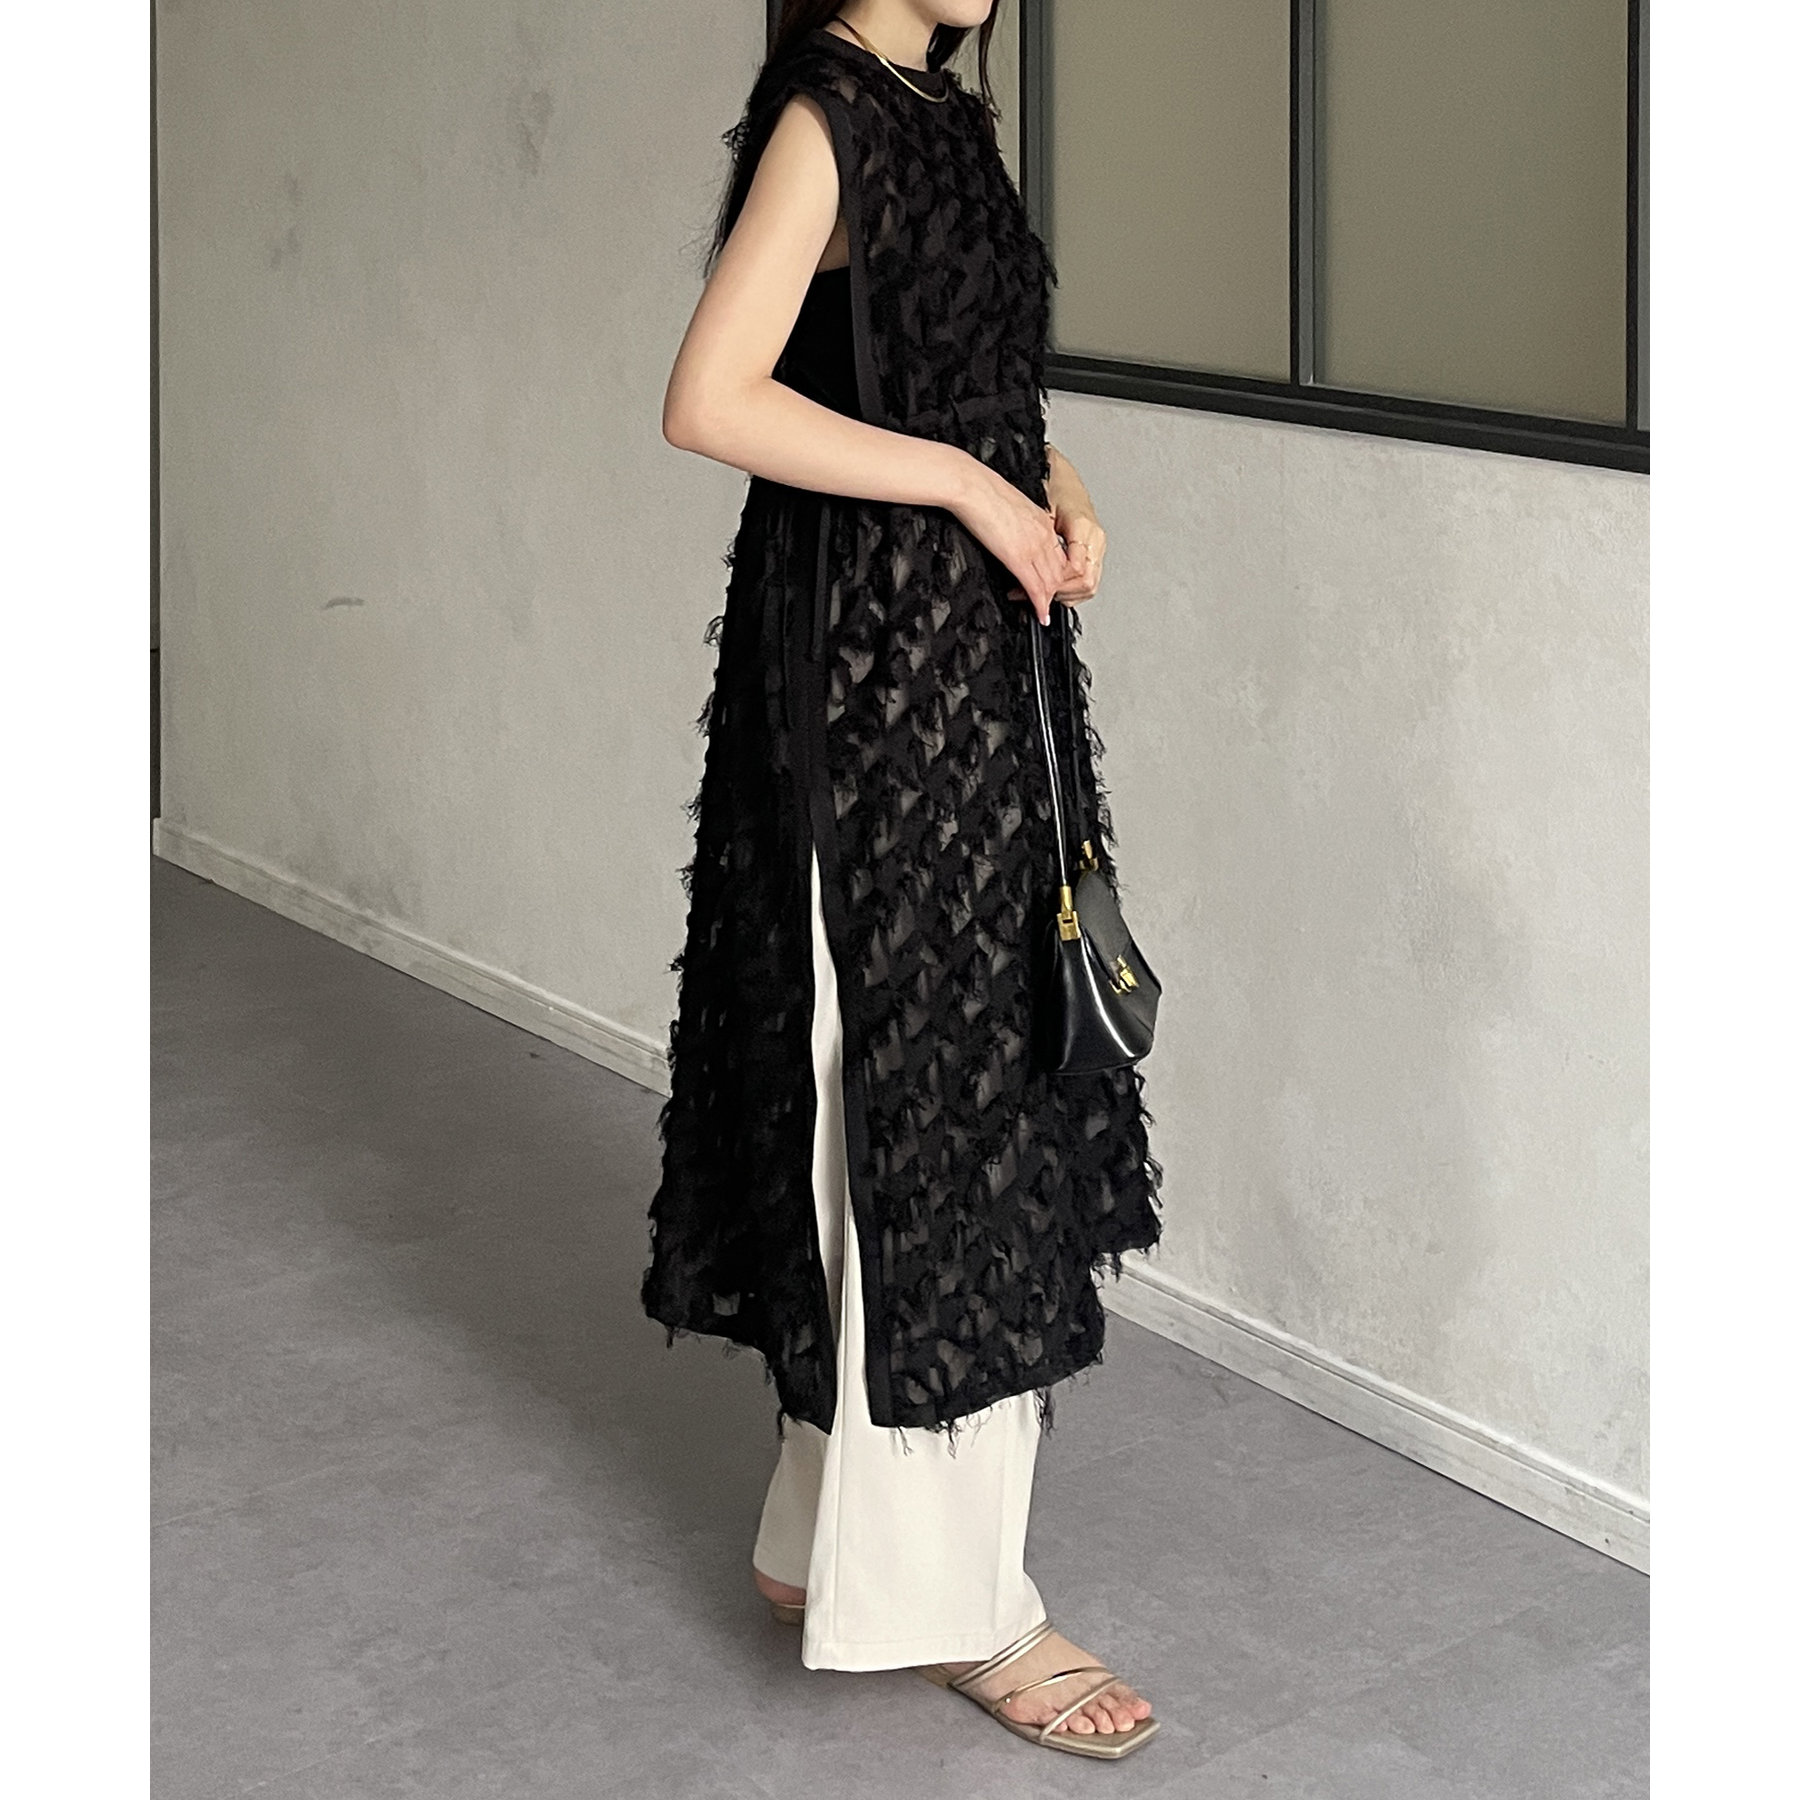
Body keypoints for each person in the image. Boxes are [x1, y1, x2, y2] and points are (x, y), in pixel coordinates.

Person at [641, 0, 1164, 1760]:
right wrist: (965, 485)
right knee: (919, 1108)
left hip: (968, 668)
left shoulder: (941, 113)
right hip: (869, 681)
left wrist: (1056, 489)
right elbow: (711, 397)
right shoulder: (830, 118)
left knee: (944, 1089)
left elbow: (970, 391)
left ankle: (824, 1535)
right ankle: (961, 1607)